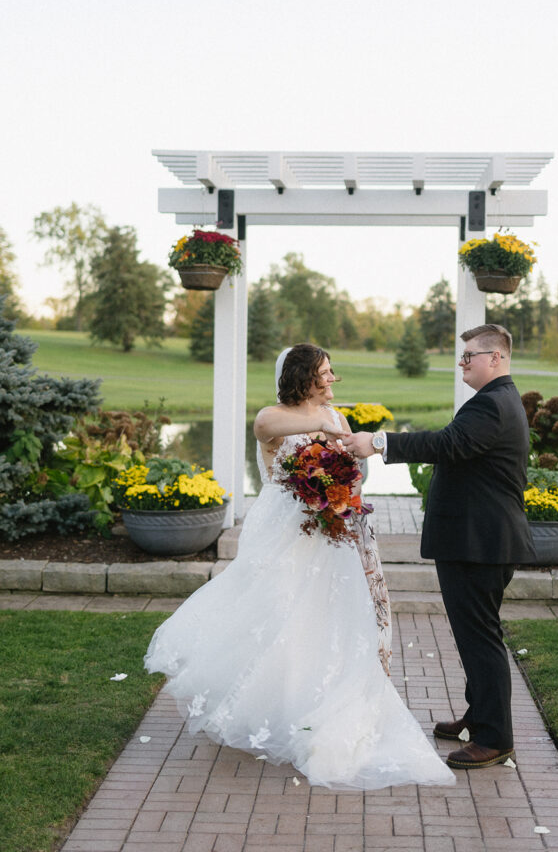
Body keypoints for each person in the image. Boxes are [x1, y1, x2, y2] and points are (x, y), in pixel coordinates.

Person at [144, 343, 454, 789]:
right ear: (302, 376)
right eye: (324, 373)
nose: (332, 380)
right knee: (276, 620)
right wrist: (322, 423)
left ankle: (318, 709)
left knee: (327, 623)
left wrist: (346, 504)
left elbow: (353, 475)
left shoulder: (339, 418)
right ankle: (272, 708)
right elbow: (264, 428)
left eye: (333, 372)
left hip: (332, 536)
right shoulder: (274, 416)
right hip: (284, 534)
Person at [343, 324, 534, 770]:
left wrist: (378, 442)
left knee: (481, 637)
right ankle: (480, 715)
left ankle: (494, 738)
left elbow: (448, 444)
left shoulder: (493, 404)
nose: (463, 362)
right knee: (474, 636)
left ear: (497, 359)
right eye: (462, 355)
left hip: (480, 543)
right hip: (476, 540)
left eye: (471, 355)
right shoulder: (494, 400)